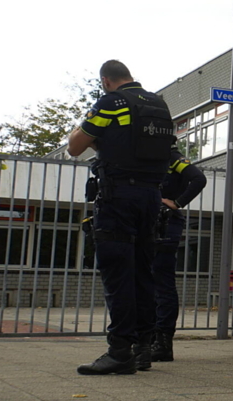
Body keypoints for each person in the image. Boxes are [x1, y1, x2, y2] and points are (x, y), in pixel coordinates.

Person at [68, 60, 176, 375]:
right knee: (143, 273)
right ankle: (143, 347)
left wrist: (85, 130)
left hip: (118, 198)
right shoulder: (158, 105)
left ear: (106, 81)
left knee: (118, 273)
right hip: (151, 198)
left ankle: (119, 351)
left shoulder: (111, 102)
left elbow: (75, 147)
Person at [151, 148, 207, 362]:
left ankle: (162, 342)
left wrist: (177, 202)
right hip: (151, 221)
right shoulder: (152, 156)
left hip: (165, 222)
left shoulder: (171, 157)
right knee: (149, 283)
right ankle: (151, 340)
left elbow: (199, 179)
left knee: (161, 283)